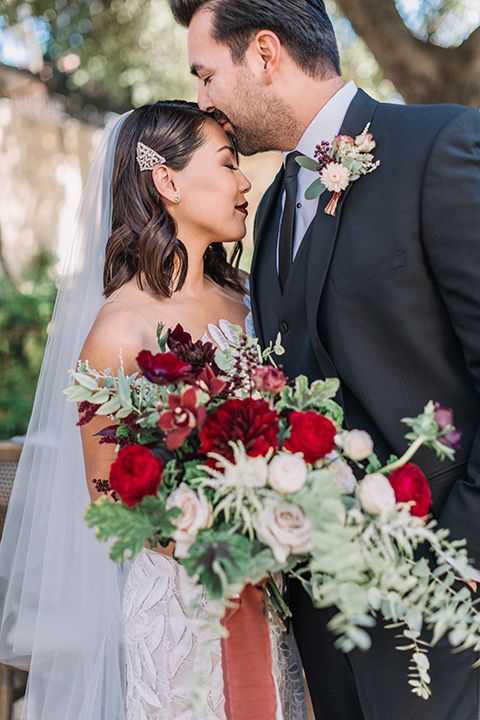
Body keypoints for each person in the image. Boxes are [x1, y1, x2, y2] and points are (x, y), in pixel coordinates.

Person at [169, 1, 480, 719]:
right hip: (325, 622)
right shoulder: (273, 206)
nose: (203, 98)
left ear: (266, 54)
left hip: (443, 611)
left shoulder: (437, 147)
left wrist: (461, 560)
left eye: (207, 74)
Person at [0, 100, 306, 720]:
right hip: (182, 611)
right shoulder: (120, 330)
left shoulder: (253, 301)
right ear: (167, 181)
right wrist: (223, 533)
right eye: (227, 164)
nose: (244, 180)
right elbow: (111, 500)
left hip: (275, 592)